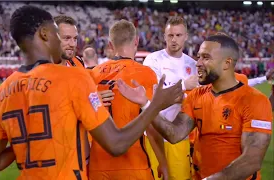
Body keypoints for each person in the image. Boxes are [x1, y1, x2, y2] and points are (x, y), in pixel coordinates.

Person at [0, 5, 184, 180]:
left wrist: (27, 141)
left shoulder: (0, 94)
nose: (66, 43)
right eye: (59, 35)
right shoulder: (74, 78)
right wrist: (154, 104)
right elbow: (117, 143)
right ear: (45, 34)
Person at [117, 34, 272, 180]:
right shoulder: (197, 96)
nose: (197, 63)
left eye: (206, 57)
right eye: (198, 57)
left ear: (227, 63)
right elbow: (175, 134)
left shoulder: (254, 101)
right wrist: (146, 104)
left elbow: (251, 160)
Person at [89, 19, 168, 180]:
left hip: (98, 166)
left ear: (110, 45)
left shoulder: (93, 74)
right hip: (133, 164)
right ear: (137, 40)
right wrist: (163, 162)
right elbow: (152, 125)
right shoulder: (145, 74)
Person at [142, 16, 197, 180]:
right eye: (170, 35)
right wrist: (183, 86)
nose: (174, 40)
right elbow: (153, 96)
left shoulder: (192, 64)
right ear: (164, 36)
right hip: (154, 134)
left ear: (186, 36)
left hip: (180, 136)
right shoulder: (153, 60)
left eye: (179, 35)